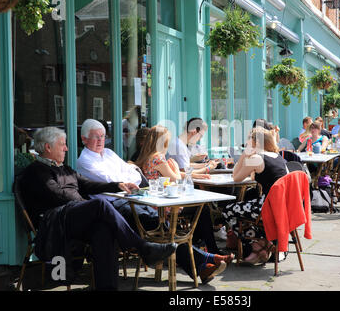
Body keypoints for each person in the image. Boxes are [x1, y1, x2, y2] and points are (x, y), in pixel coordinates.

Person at [19, 126, 177, 290]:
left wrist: (118, 185)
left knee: (104, 230)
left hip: (73, 215)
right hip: (56, 220)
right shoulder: (36, 171)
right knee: (101, 204)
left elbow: (88, 184)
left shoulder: (64, 168)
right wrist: (86, 204)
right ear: (48, 147)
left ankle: (107, 287)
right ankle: (143, 247)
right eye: (62, 144)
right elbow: (57, 195)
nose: (66, 148)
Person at [76, 119, 231, 283]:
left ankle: (202, 265)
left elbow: (134, 174)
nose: (101, 140)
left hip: (133, 200)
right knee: (158, 226)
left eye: (102, 136)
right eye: (95, 137)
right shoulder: (85, 160)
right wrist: (123, 180)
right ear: (84, 139)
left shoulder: (109, 154)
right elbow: (111, 180)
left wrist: (125, 180)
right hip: (113, 206)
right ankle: (204, 261)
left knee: (163, 228)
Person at [136, 125, 229, 256]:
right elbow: (176, 179)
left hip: (154, 203)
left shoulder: (148, 157)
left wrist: (196, 175)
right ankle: (208, 248)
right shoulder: (158, 158)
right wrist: (178, 171)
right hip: (165, 205)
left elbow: (172, 174)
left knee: (200, 210)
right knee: (203, 209)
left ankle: (195, 245)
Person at [221, 127, 288, 265]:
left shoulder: (257, 158)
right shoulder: (277, 157)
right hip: (282, 207)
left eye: (249, 139)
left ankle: (257, 244)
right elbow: (255, 175)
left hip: (267, 208)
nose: (247, 141)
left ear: (256, 142)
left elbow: (236, 177)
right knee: (245, 205)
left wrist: (244, 154)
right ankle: (262, 243)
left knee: (227, 210)